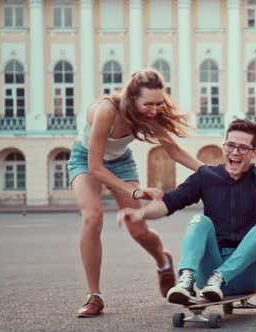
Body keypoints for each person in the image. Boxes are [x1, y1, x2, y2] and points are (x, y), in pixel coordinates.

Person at [117, 118, 256, 304]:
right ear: (224, 146)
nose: (235, 152)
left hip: (250, 272)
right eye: (230, 145)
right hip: (209, 275)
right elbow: (168, 203)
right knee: (199, 221)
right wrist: (140, 214)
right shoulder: (206, 176)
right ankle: (186, 279)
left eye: (243, 147)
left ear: (254, 152)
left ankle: (222, 276)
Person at [68, 69, 204, 317]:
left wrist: (209, 171)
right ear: (131, 99)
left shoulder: (151, 114)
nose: (154, 110)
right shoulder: (105, 111)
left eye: (158, 103)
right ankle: (94, 296)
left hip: (121, 162)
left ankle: (163, 261)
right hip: (86, 160)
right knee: (92, 217)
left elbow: (174, 151)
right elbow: (96, 167)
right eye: (148, 104)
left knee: (138, 228)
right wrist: (136, 191)